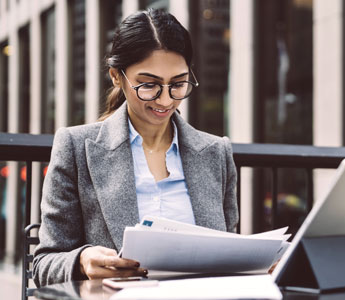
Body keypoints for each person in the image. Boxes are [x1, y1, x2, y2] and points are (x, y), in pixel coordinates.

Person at [33, 9, 238, 287]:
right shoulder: (76, 148)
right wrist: (82, 261)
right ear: (117, 76)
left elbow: (232, 259)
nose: (165, 100)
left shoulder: (216, 153)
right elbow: (44, 264)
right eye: (148, 85)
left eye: (178, 84)